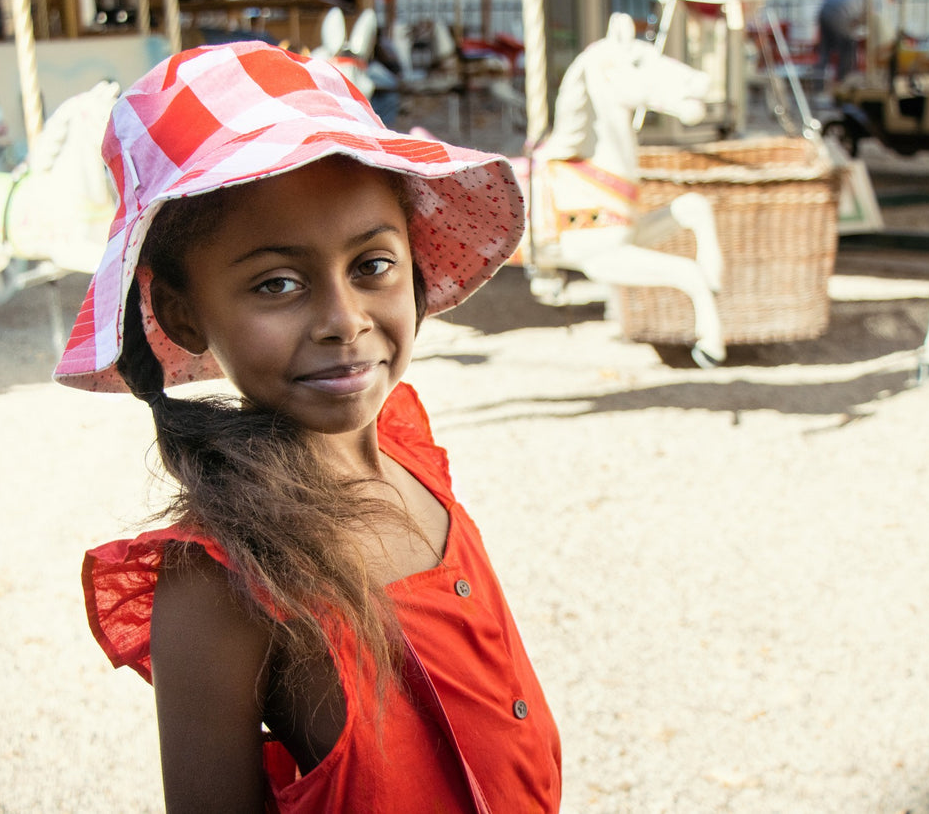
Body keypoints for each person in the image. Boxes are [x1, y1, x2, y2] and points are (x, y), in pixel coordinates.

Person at [55, 41, 561, 812]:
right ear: (183, 313)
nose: (344, 320)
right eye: (278, 283)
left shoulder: (405, 447)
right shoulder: (220, 583)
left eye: (372, 265)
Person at [816, 0, 898, 85]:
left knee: (825, 51)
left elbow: (857, 17)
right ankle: (843, 81)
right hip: (840, 15)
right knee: (849, 48)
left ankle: (818, 84)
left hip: (825, 10)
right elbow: (874, 23)